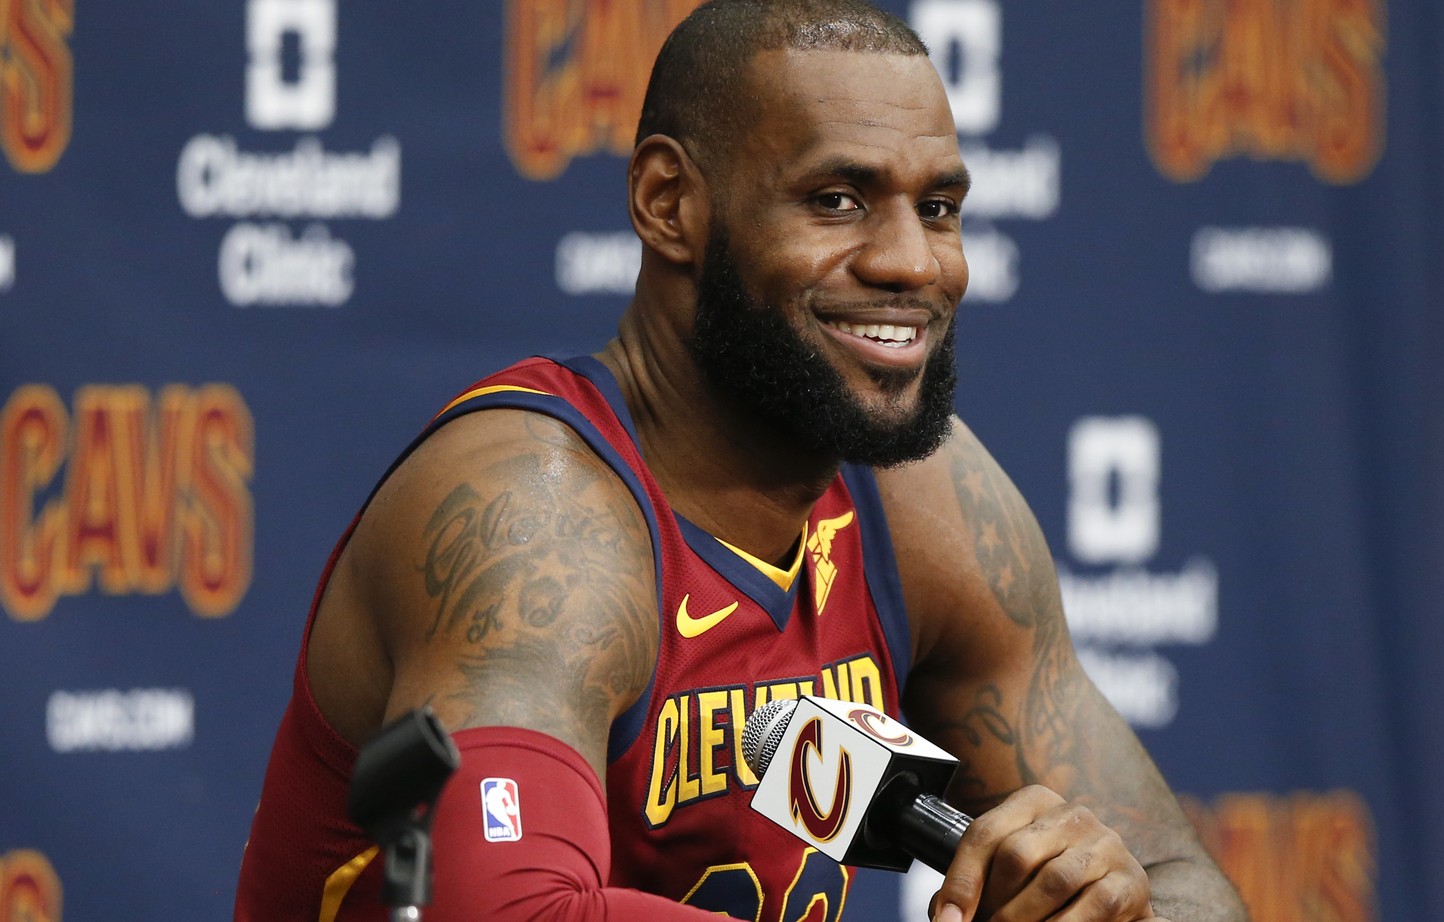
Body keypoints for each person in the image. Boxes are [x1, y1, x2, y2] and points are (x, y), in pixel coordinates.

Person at [234, 1, 1248, 920]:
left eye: (937, 208)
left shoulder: (923, 506)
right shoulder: (542, 515)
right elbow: (512, 914)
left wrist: (1108, 904)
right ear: (671, 203)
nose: (910, 261)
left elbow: (1185, 882)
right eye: (839, 200)